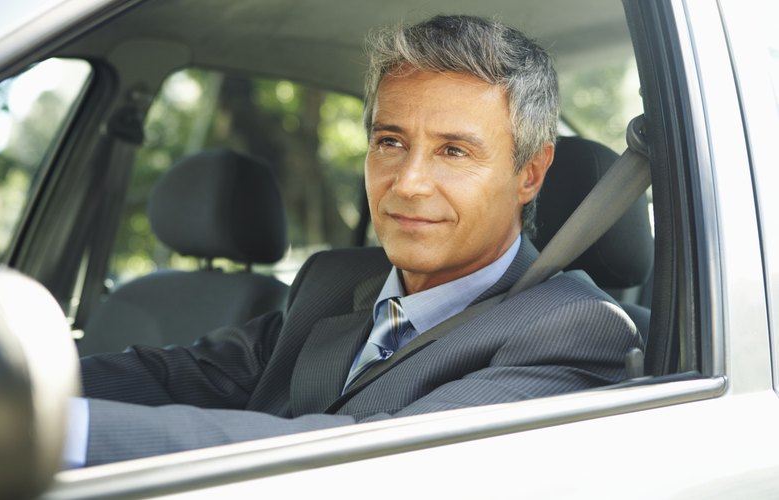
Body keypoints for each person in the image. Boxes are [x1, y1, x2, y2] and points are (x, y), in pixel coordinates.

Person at [71, 14, 641, 466]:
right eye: (390, 142)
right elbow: (187, 375)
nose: (408, 184)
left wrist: (64, 432)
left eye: (454, 151)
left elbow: (369, 463)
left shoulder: (575, 328)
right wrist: (22, 387)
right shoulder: (335, 279)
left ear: (529, 174)